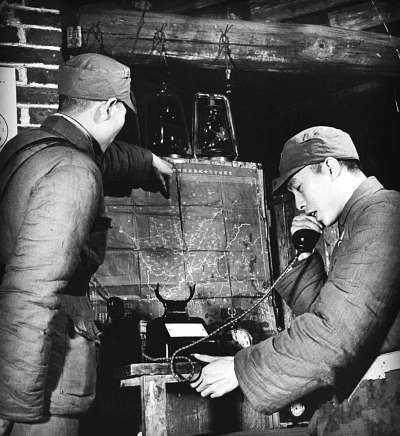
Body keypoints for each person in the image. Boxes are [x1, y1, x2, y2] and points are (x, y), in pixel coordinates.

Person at [0, 53, 173, 435]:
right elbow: (33, 289)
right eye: (123, 114)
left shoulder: (25, 147)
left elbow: (96, 157)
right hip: (42, 386)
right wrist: (14, 404)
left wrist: (145, 161)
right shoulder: (75, 171)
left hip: (20, 364)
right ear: (109, 107)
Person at [190, 126, 400, 434]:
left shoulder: (382, 214)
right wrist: (303, 256)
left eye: (299, 188)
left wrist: (240, 369)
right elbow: (328, 316)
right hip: (374, 398)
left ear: (330, 167)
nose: (299, 204)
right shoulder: (359, 219)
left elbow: (334, 336)